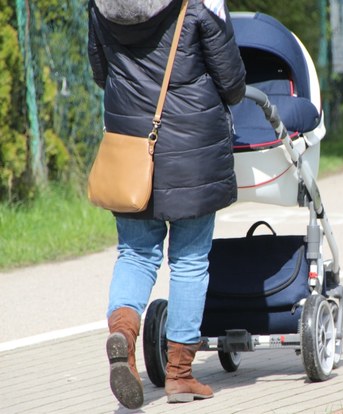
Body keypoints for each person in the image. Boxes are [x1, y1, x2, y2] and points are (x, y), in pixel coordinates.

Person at [87, 0, 246, 409]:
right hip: (193, 148)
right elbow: (232, 83)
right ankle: (179, 375)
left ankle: (122, 334)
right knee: (190, 260)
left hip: (130, 142)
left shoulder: (100, 4)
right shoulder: (201, 3)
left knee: (136, 254)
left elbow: (100, 73)